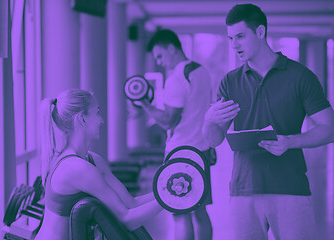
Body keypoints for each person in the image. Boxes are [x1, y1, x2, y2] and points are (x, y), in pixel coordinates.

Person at [202, 4, 334, 240]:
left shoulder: (300, 76)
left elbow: (329, 128)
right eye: (231, 38)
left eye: (240, 36)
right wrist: (208, 121)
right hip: (243, 190)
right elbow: (214, 139)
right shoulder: (229, 82)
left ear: (260, 32)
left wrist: (290, 141)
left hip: (290, 188)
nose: (234, 45)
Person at [34, 89, 163, 240]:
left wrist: (164, 191)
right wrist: (169, 200)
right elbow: (127, 220)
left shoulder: (93, 160)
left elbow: (130, 204)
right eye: (97, 113)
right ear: (82, 119)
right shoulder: (77, 168)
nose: (101, 120)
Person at [140, 29, 213, 240]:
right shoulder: (202, 71)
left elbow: (168, 120)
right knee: (200, 211)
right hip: (202, 150)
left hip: (180, 153)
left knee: (180, 213)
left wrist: (144, 104)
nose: (160, 62)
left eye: (160, 56)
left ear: (171, 48)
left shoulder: (176, 79)